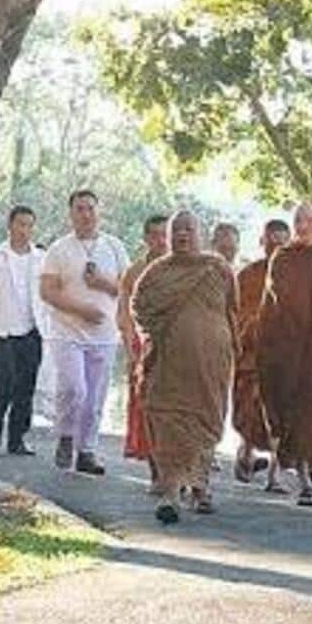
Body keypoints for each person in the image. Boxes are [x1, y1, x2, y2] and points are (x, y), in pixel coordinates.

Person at [132, 211, 238, 524]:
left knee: (204, 424)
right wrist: (158, 332)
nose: (182, 236)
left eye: (188, 230)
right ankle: (171, 492)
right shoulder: (156, 273)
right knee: (168, 423)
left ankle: (200, 486)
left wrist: (231, 349)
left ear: (200, 234)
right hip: (168, 365)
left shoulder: (218, 268)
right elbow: (139, 308)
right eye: (176, 230)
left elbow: (232, 310)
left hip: (210, 366)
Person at [39, 189, 130, 475]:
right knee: (73, 389)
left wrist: (103, 283)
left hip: (104, 334)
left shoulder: (114, 247)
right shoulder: (59, 249)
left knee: (94, 397)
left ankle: (87, 451)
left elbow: (127, 289)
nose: (86, 214)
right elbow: (47, 291)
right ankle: (66, 436)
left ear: (99, 211)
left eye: (90, 208)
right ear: (71, 213)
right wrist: (81, 310)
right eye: (79, 208)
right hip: (67, 332)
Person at [256, 202, 312, 506]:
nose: (303, 225)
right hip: (287, 346)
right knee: (289, 411)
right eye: (299, 220)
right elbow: (277, 296)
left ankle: (305, 471)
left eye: (309, 220)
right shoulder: (283, 257)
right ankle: (302, 479)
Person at [0, 206, 43, 454]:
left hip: (32, 329)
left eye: (29, 225)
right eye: (20, 224)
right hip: (1, 328)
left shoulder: (40, 258)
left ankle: (17, 438)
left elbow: (45, 295)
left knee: (27, 385)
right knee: (5, 380)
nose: (24, 230)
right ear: (10, 225)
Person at [232, 218, 289, 486]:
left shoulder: (296, 277)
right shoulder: (247, 276)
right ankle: (245, 451)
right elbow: (234, 313)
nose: (275, 248)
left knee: (282, 414)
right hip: (251, 356)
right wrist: (256, 324)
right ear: (261, 242)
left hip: (284, 358)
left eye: (281, 243)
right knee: (248, 411)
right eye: (270, 242)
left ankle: (275, 473)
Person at [117, 214, 169, 470]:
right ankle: (154, 468)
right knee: (146, 406)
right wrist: (130, 349)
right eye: (155, 235)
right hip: (143, 347)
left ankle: (174, 465)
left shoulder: (185, 269)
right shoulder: (134, 272)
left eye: (165, 235)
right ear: (146, 238)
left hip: (177, 348)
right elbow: (124, 314)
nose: (161, 241)